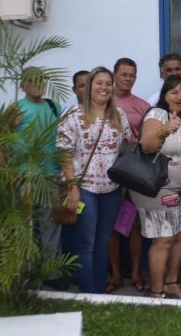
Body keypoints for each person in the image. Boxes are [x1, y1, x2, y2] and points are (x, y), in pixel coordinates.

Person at [57, 67, 132, 294]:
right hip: (84, 188)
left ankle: (98, 292)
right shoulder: (73, 115)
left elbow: (127, 148)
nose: (104, 87)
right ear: (89, 86)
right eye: (99, 83)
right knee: (86, 244)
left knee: (103, 243)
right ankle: (87, 293)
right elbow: (64, 153)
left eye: (108, 83)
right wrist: (72, 188)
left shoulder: (119, 115)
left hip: (111, 189)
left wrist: (126, 182)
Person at [130, 76, 181, 299]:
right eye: (174, 92)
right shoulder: (158, 114)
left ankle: (170, 283)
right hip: (156, 189)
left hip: (174, 190)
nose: (179, 96)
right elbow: (147, 145)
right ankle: (157, 293)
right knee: (164, 238)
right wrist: (165, 130)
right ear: (164, 95)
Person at [16, 66, 65, 289]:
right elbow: (2, 141)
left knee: (51, 225)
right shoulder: (16, 109)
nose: (38, 84)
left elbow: (63, 141)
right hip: (25, 177)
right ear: (23, 84)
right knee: (24, 227)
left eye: (41, 80)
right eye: (32, 81)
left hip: (51, 175)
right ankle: (24, 273)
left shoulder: (54, 106)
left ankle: (52, 273)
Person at [107, 58, 151, 294]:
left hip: (134, 173)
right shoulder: (104, 102)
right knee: (111, 227)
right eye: (123, 74)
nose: (128, 79)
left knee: (135, 225)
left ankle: (135, 272)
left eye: (132, 75)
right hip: (106, 173)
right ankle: (114, 273)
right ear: (115, 75)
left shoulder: (142, 106)